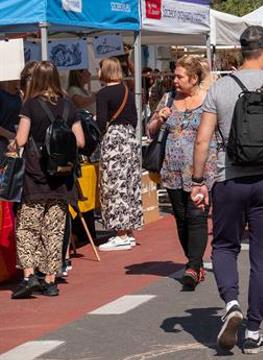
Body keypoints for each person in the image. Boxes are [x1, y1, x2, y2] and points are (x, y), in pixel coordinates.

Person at [191, 25, 263, 354]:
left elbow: (202, 139)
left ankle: (230, 302)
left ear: (242, 50)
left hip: (229, 179)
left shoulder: (221, 87)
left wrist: (198, 181)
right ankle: (253, 329)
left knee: (225, 246)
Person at [10, 61, 85, 299]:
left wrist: (12, 145)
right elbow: (80, 141)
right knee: (54, 229)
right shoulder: (68, 106)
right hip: (61, 177)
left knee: (27, 227)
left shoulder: (30, 105)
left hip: (35, 175)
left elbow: (21, 140)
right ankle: (51, 280)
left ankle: (30, 275)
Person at [147, 55, 214, 291]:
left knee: (196, 217)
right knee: (182, 218)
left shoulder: (208, 100)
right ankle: (193, 262)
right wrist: (158, 118)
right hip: (172, 170)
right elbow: (151, 131)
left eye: (179, 76)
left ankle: (193, 266)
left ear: (194, 78)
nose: (174, 80)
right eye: (174, 76)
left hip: (201, 170)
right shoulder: (167, 99)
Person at [96, 57, 143, 251]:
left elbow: (100, 122)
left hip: (114, 140)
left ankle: (120, 233)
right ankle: (129, 230)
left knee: (114, 185)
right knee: (130, 184)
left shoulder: (103, 93)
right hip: (130, 139)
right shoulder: (127, 91)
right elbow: (134, 118)